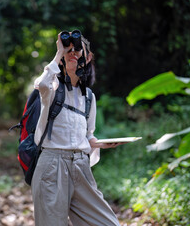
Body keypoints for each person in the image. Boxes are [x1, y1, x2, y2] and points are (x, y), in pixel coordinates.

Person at [31, 30, 122, 226]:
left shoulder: (88, 96)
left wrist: (100, 144)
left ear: (88, 57)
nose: (72, 53)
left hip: (81, 166)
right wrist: (58, 53)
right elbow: (41, 84)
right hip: (52, 166)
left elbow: (88, 135)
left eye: (77, 50)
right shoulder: (52, 88)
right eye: (68, 50)